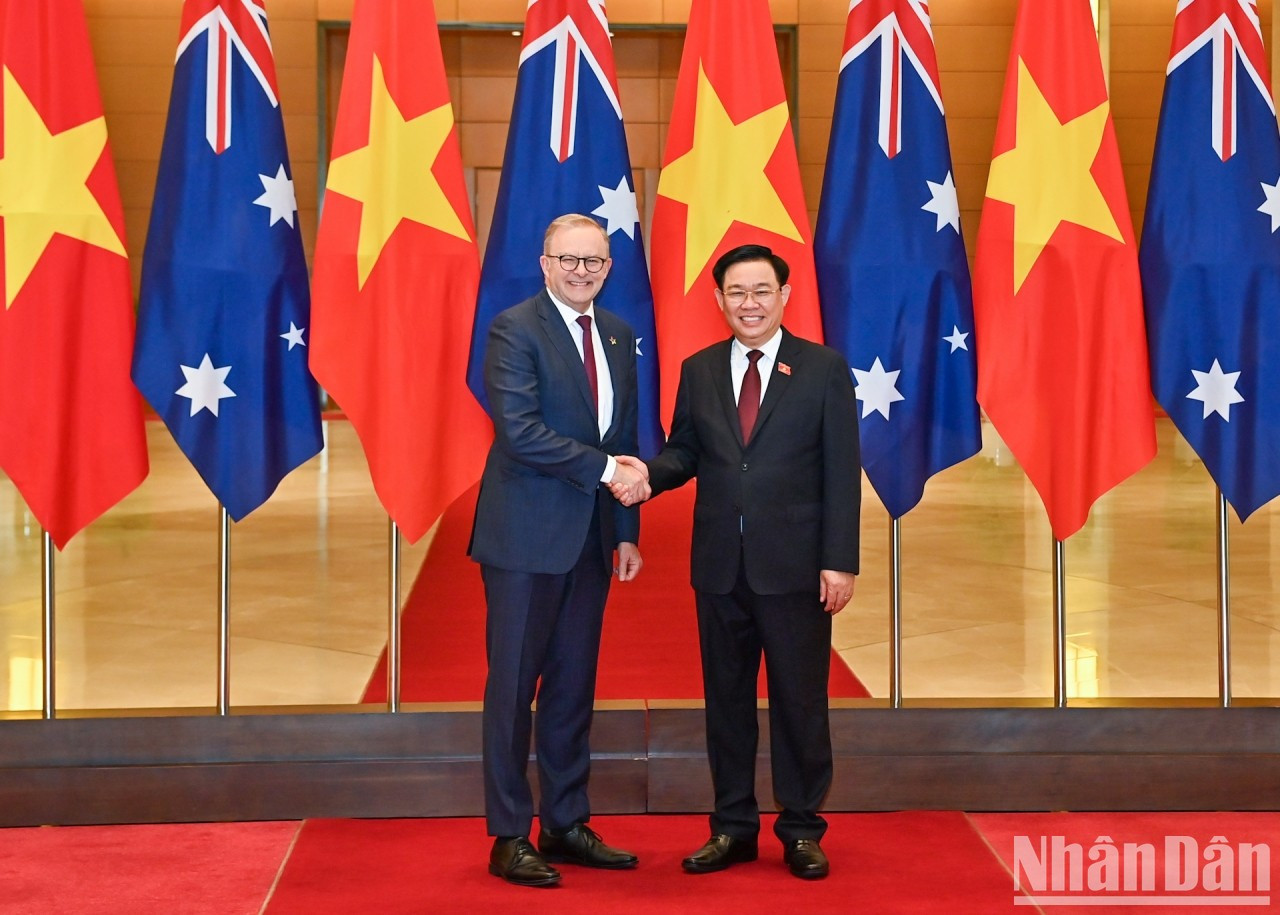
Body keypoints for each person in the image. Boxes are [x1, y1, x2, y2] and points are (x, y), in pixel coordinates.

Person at [613, 244, 860, 880]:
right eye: (737, 293)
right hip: (720, 567)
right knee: (726, 703)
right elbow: (685, 450)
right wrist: (648, 475)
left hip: (797, 568)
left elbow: (840, 472)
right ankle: (733, 827)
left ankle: (802, 828)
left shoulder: (823, 369)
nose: (749, 304)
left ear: (784, 295)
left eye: (761, 291)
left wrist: (839, 560)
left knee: (800, 703)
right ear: (719, 300)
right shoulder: (699, 370)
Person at [469, 213, 649, 887]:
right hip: (523, 538)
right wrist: (607, 473)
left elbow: (625, 434)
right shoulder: (514, 329)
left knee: (574, 687)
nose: (581, 271)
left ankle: (567, 820)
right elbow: (519, 431)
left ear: (608, 268)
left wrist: (626, 529)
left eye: (593, 262)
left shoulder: (619, 333)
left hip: (593, 541)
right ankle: (510, 832)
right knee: (514, 686)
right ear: (544, 264)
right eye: (568, 260)